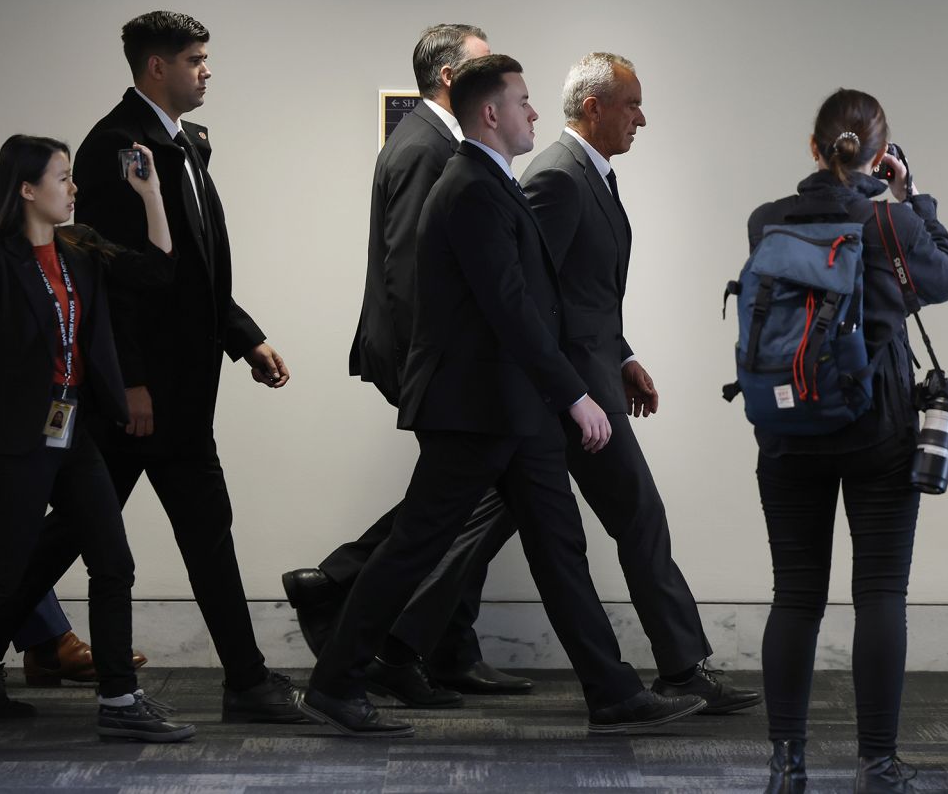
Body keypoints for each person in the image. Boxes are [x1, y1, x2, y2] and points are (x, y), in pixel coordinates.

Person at [299, 55, 705, 738]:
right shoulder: (471, 189)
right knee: (414, 547)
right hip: (475, 412)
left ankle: (611, 691)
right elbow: (511, 308)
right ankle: (335, 681)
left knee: (560, 548)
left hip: (512, 411)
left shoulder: (494, 183)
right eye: (523, 101)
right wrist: (575, 395)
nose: (536, 113)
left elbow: (528, 304)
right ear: (492, 113)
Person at [283, 24, 531, 706]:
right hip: (434, 359)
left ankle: (434, 639)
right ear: (454, 78)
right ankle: (359, 606)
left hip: (438, 359)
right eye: (489, 69)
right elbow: (414, 272)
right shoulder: (428, 148)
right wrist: (447, 370)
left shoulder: (433, 143)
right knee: (467, 500)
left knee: (463, 499)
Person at [0, 134, 193, 742]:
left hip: (74, 432)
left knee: (114, 564)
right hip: (14, 437)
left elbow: (157, 270)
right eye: (62, 178)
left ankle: (121, 702)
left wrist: (151, 194)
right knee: (2, 577)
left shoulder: (79, 251)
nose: (72, 188)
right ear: (26, 189)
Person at [70, 10, 300, 724]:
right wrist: (131, 379)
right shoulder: (115, 146)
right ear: (156, 68)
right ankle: (248, 681)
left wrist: (243, 335)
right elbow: (111, 282)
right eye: (196, 58)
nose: (207, 69)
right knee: (205, 524)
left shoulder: (184, 144)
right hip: (150, 392)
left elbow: (197, 270)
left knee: (74, 530)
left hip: (180, 385)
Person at [521, 52, 760, 714]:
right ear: (594, 108)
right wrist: (576, 391)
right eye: (632, 104)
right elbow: (533, 298)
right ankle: (682, 668)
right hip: (568, 393)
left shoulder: (590, 174)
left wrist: (621, 354)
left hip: (587, 378)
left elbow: (581, 291)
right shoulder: (559, 178)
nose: (642, 118)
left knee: (467, 524)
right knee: (641, 514)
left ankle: (388, 637)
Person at [0, 13, 136, 709]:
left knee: (71, 555)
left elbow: (148, 271)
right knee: (2, 565)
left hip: (55, 417)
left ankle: (94, 682)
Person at [746, 89, 948, 794]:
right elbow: (944, 279)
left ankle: (787, 762)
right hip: (880, 428)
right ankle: (877, 761)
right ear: (881, 154)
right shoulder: (889, 222)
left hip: (787, 427)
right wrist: (913, 198)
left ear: (814, 148)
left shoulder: (768, 220)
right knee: (880, 591)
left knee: (794, 597)